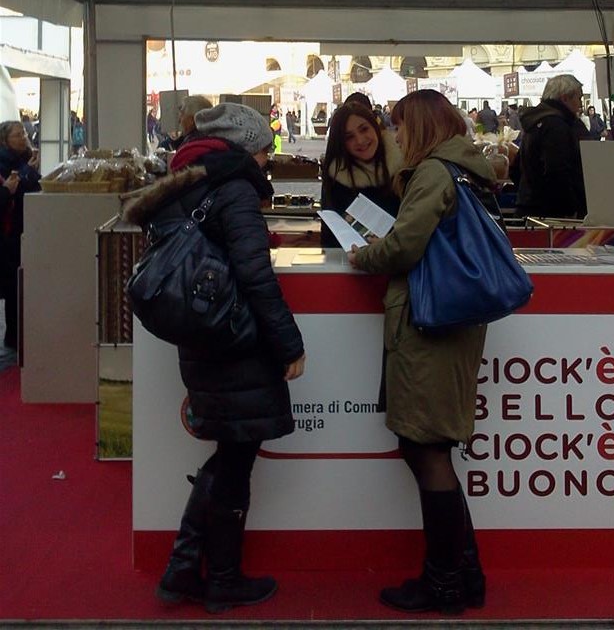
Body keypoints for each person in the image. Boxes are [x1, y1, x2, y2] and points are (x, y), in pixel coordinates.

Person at [122, 103, 305, 613]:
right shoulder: (235, 187)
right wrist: (289, 343)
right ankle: (220, 578)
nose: (267, 159)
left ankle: (184, 569)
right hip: (236, 339)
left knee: (230, 453)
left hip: (203, 334)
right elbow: (254, 274)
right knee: (235, 459)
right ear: (246, 148)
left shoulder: (188, 180)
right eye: (264, 150)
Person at [348, 90, 496, 614]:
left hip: (430, 324)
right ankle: (464, 575)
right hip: (448, 321)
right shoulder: (461, 169)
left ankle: (444, 584)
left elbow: (405, 245)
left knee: (426, 449)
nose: (395, 134)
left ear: (422, 126)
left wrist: (365, 255)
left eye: (400, 125)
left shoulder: (432, 173)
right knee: (428, 447)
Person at [319, 101, 403, 248]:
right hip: (351, 258)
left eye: (364, 129)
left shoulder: (404, 166)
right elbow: (330, 236)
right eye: (349, 137)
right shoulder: (336, 177)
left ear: (375, 127)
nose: (360, 140)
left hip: (399, 258)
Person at [515, 74, 588, 219]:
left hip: (530, 206)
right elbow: (557, 170)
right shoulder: (556, 125)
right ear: (565, 98)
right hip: (552, 213)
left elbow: (516, 167)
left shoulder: (535, 122)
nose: (580, 104)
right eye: (578, 98)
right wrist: (571, 206)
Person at [0, 120, 42, 349]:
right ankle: (14, 337)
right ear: (5, 140)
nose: (23, 137)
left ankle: (20, 335)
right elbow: (13, 190)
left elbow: (34, 188)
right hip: (9, 233)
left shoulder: (26, 159)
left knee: (22, 284)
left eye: (24, 133)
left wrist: (31, 171)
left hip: (27, 227)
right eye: (17, 134)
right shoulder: (4, 163)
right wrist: (27, 172)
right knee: (13, 286)